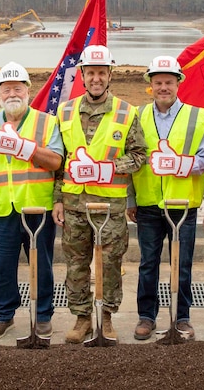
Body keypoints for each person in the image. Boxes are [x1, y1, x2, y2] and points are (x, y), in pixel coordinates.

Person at [52, 45, 147, 343]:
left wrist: (109, 167)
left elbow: (139, 155)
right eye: (90, 72)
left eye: (101, 73)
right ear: (82, 75)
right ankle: (82, 319)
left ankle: (106, 317)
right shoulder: (64, 111)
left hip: (109, 207)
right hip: (74, 204)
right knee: (77, 264)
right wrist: (57, 198)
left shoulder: (126, 112)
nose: (96, 78)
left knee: (110, 264)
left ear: (109, 76)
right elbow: (59, 159)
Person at [0, 62, 64, 338]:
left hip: (37, 206)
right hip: (1, 208)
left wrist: (26, 149)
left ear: (28, 90)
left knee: (42, 264)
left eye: (18, 88)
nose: (12, 93)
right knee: (1, 266)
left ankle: (43, 315)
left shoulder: (46, 122)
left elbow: (56, 161)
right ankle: (3, 315)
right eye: (6, 88)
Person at [127, 55, 204, 340]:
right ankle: (146, 317)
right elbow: (131, 159)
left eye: (169, 82)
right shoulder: (137, 116)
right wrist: (131, 200)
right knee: (148, 262)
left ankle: (182, 317)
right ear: (150, 86)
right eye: (158, 82)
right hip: (149, 204)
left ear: (178, 83)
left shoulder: (197, 117)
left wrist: (182, 164)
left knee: (182, 263)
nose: (163, 87)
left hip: (183, 204)